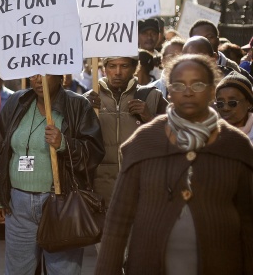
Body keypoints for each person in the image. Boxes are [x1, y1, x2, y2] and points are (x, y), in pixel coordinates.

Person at [95, 54, 253, 275]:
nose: (188, 91)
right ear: (169, 90)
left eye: (197, 84)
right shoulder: (144, 142)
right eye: (179, 85)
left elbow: (248, 222)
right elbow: (118, 221)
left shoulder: (236, 146)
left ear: (211, 90)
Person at [0, 73, 105, 275]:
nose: (37, 80)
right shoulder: (17, 101)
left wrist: (65, 144)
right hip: (18, 204)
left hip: (61, 204)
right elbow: (0, 152)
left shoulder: (77, 105)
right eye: (33, 74)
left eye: (44, 74)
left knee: (63, 271)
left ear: (61, 75)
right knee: (17, 271)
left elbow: (94, 155)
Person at [84, 56, 167, 213]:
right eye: (112, 66)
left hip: (142, 193)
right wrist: (83, 112)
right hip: (99, 195)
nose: (117, 72)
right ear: (103, 68)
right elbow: (73, 145)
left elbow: (175, 137)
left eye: (124, 66)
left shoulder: (152, 97)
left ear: (135, 68)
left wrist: (150, 118)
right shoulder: (89, 99)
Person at [188, 19, 253, 80]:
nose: (205, 41)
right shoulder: (184, 71)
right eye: (198, 38)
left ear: (218, 40)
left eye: (209, 37)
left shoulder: (238, 72)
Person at [215, 72, 253, 142]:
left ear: (249, 103)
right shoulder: (210, 134)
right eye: (220, 103)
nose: (225, 108)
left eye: (232, 103)